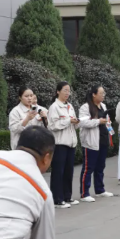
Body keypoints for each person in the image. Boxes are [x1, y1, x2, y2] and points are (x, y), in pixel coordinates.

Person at [78, 85, 114, 202]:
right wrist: (98, 121)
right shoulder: (85, 107)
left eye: (104, 93)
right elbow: (82, 123)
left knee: (100, 167)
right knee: (88, 168)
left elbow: (106, 121)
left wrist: (108, 125)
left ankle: (100, 190)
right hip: (91, 141)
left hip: (103, 140)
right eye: (101, 93)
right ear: (94, 94)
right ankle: (84, 193)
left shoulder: (103, 106)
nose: (103, 95)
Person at [47, 81, 79, 209]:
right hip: (60, 143)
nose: (67, 93)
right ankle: (57, 199)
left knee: (68, 171)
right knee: (58, 172)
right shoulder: (54, 107)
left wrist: (76, 122)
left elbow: (73, 124)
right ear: (58, 91)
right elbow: (52, 126)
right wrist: (68, 121)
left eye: (69, 91)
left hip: (71, 143)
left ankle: (67, 196)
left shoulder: (70, 106)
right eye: (65, 90)